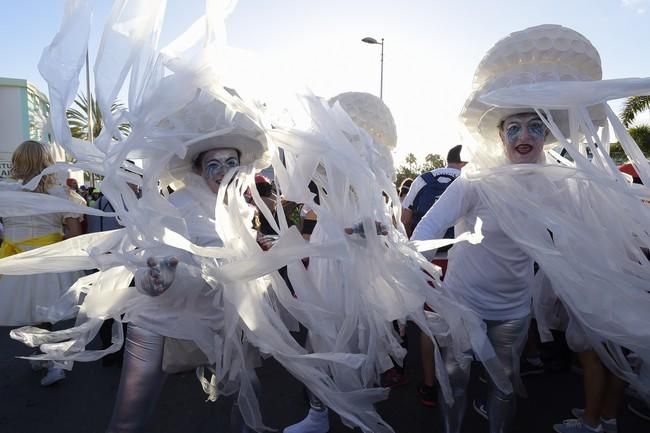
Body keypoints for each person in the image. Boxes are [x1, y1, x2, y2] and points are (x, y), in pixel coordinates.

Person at [414, 24, 650, 433]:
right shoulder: (476, 181)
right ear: (501, 135)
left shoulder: (558, 183)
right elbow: (427, 228)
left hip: (512, 309)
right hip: (465, 301)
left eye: (535, 126)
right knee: (455, 381)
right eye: (514, 127)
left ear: (547, 134)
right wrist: (421, 264)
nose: (525, 135)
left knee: (504, 387)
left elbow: (596, 224)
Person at [0, 140, 83, 386]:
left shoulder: (6, 193)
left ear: (17, 162)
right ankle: (53, 361)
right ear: (47, 163)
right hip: (51, 262)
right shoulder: (61, 195)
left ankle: (43, 356)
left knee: (28, 309)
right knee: (49, 313)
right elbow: (76, 235)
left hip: (17, 261)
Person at [401, 144, 467, 238]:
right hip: (457, 248)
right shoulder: (469, 182)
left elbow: (405, 220)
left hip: (422, 247)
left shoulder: (422, 180)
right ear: (464, 162)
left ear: (447, 160)